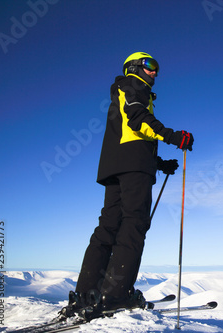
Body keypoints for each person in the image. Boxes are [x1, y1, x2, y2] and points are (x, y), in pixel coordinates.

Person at [61, 52, 193, 319]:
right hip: (133, 170)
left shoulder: (120, 91)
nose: (155, 72)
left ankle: (87, 294)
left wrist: (158, 162)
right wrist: (173, 136)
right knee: (134, 224)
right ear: (135, 66)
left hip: (115, 167)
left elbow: (130, 136)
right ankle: (115, 295)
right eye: (150, 65)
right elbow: (138, 118)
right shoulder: (134, 86)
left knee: (108, 226)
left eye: (156, 68)